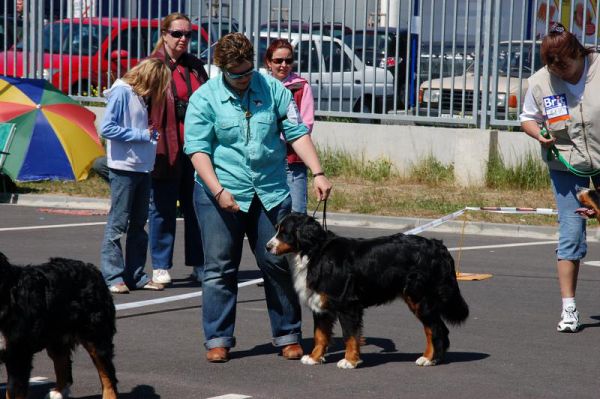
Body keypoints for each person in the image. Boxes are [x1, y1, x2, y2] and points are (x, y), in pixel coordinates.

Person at [184, 32, 332, 363]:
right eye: (236, 75)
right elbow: (196, 148)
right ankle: (218, 338)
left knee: (277, 262)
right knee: (220, 267)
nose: (243, 79)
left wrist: (318, 172)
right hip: (219, 190)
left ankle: (288, 335)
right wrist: (218, 190)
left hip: (270, 190)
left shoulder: (273, 89)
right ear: (222, 69)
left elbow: (296, 132)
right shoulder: (204, 98)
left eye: (248, 71)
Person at [520, 22, 600, 333]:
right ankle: (569, 309)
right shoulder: (540, 82)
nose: (561, 73)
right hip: (566, 165)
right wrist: (538, 134)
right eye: (553, 68)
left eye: (565, 65)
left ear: (578, 53)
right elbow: (527, 117)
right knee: (570, 233)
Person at [100, 58, 172, 294]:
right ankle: (113, 275)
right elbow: (107, 128)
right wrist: (141, 134)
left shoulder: (138, 95)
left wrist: (147, 136)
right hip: (124, 167)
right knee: (118, 224)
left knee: (139, 224)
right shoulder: (122, 92)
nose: (157, 91)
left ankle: (136, 275)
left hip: (142, 166)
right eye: (157, 84)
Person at [148, 13, 209, 285]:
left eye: (188, 34)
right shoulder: (152, 66)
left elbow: (209, 98)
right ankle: (161, 265)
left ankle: (199, 264)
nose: (183, 39)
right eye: (177, 34)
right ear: (164, 34)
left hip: (195, 149)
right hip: (165, 147)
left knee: (196, 208)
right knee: (162, 208)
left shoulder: (195, 66)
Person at [264, 39, 315, 214]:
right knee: (270, 214)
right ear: (268, 62)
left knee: (297, 213)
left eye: (288, 60)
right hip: (267, 159)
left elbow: (306, 125)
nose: (283, 65)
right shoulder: (260, 85)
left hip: (292, 159)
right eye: (278, 61)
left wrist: (279, 136)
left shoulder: (301, 86)